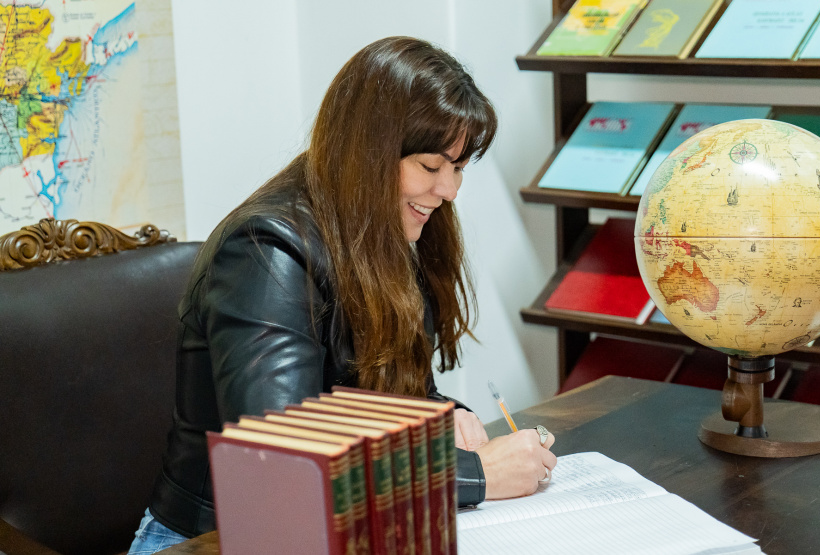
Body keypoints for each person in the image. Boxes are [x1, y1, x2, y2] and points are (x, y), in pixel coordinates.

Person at [127, 36, 557, 554]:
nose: (449, 191)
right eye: (430, 166)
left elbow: (372, 387)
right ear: (370, 152)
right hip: (213, 542)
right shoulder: (266, 250)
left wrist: (445, 414)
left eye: (459, 167)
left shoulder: (382, 229)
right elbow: (283, 467)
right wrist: (473, 474)